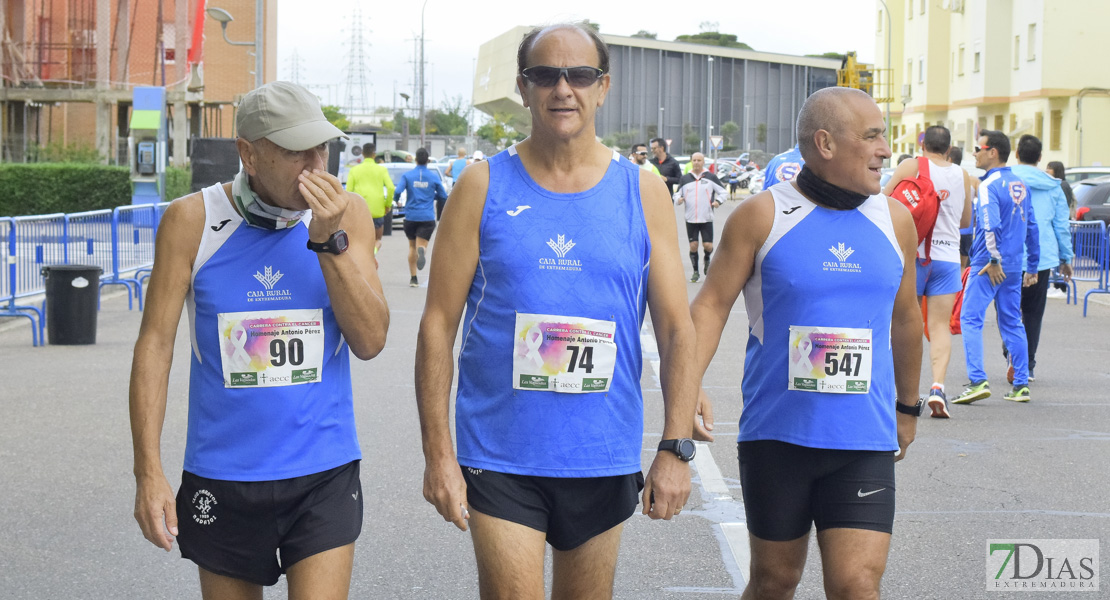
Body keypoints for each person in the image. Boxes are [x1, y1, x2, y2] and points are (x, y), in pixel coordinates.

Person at [415, 23, 698, 600]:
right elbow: (438, 324)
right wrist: (438, 454)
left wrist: (675, 447)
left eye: (580, 75)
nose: (562, 88)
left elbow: (675, 327)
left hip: (601, 452)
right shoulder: (481, 185)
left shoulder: (643, 191)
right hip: (499, 453)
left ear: (603, 87)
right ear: (524, 88)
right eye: (545, 75)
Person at [129, 81, 389, 599]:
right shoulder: (191, 221)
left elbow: (371, 340)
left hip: (323, 468)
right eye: (296, 151)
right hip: (223, 472)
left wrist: (328, 241)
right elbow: (155, 346)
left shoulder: (348, 214)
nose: (316, 165)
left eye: (322, 147)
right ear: (248, 153)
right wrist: (148, 472)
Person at [689, 86, 923, 600]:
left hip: (863, 437)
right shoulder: (762, 216)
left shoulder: (895, 221)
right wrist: (687, 386)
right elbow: (710, 305)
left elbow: (906, 319)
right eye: (872, 136)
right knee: (775, 581)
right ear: (825, 143)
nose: (886, 149)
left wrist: (909, 407)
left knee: (857, 584)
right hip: (779, 437)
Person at [882, 125, 974, 418]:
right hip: (947, 258)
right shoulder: (962, 175)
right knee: (938, 327)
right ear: (949, 148)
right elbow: (965, 220)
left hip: (915, 256)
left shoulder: (911, 165)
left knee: (900, 322)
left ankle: (893, 390)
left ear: (923, 145)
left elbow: (885, 200)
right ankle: (937, 388)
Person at [953, 130, 1040, 405]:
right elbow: (1032, 227)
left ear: (993, 152)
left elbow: (990, 224)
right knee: (1012, 322)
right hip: (1015, 265)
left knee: (970, 319)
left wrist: (992, 259)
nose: (974, 153)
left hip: (988, 264)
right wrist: (1033, 265)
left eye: (979, 148)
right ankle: (1021, 384)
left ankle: (978, 381)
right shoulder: (1021, 185)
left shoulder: (989, 185)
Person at [1010, 134, 1073, 383]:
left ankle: (1012, 354)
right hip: (1042, 257)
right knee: (1034, 313)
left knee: (1009, 309)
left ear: (1016, 154)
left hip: (1010, 255)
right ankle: (1029, 363)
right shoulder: (1053, 186)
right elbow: (1061, 225)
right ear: (1039, 157)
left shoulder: (1005, 179)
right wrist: (1066, 257)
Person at [394, 147, 447, 287]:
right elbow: (443, 196)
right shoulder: (433, 177)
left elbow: (398, 191)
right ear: (428, 161)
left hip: (411, 216)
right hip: (427, 217)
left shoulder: (407, 176)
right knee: (421, 245)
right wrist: (431, 196)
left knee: (411, 247)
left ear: (416, 160)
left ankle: (413, 279)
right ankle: (422, 250)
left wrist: (397, 199)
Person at [674, 152, 726, 283]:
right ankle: (695, 272)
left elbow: (723, 192)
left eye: (699, 160)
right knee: (693, 246)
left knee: (708, 246)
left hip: (706, 217)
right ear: (691, 162)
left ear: (703, 162)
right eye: (694, 160)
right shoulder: (685, 178)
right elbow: (676, 194)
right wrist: (678, 199)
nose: (696, 162)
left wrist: (718, 201)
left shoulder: (710, 177)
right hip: (690, 218)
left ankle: (707, 258)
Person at [344, 142, 394, 254]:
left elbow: (348, 191)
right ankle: (374, 253)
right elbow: (391, 188)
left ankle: (365, 259)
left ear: (362, 154)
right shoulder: (382, 170)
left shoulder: (354, 170)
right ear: (374, 154)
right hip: (377, 211)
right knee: (377, 240)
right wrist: (387, 205)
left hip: (359, 212)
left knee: (360, 242)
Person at [443, 147, 469, 220]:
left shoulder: (453, 163)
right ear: (465, 154)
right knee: (464, 199)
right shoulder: (467, 162)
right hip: (464, 182)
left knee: (456, 200)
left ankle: (455, 214)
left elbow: (446, 172)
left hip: (455, 182)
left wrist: (453, 176)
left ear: (458, 154)